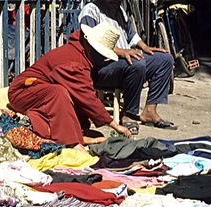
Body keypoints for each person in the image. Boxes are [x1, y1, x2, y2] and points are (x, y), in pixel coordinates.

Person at [8, 22, 131, 153]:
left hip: (40, 94)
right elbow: (87, 98)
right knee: (58, 93)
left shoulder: (82, 55)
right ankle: (72, 143)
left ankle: (57, 132)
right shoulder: (74, 62)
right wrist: (115, 125)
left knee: (66, 100)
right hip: (22, 93)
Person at [78, 0, 177, 135]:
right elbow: (90, 40)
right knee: (136, 64)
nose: (116, 2)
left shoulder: (120, 10)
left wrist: (145, 47)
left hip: (125, 62)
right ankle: (129, 114)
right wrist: (121, 52)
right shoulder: (90, 10)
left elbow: (131, 35)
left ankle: (150, 110)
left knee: (165, 60)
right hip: (103, 67)